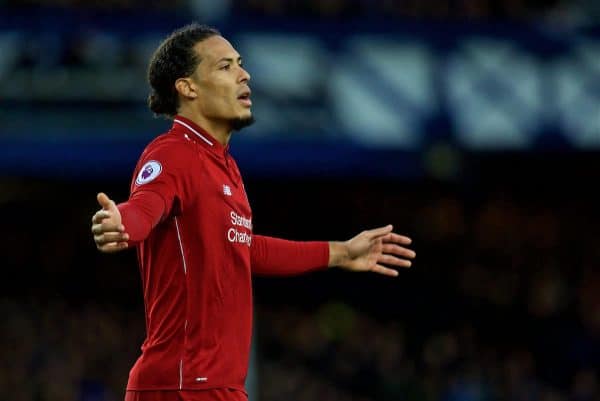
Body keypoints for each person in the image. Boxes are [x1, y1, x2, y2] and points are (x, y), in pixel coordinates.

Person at [90, 23, 416, 401]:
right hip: (182, 386)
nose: (244, 74)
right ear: (188, 87)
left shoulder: (224, 166)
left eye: (240, 64)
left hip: (213, 387)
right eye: (225, 66)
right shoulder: (172, 153)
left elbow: (241, 248)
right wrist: (121, 223)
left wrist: (341, 252)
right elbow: (145, 208)